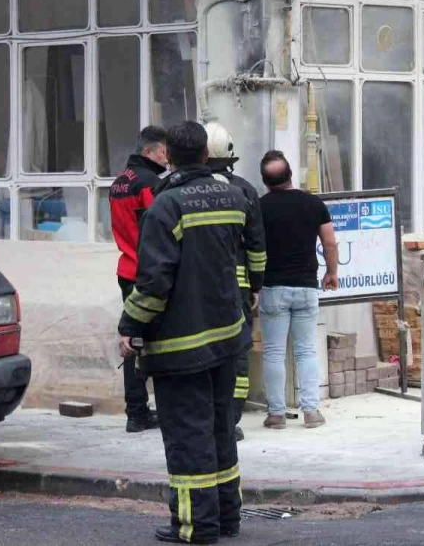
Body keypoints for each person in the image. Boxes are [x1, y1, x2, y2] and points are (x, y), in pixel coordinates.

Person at [118, 121, 263, 544]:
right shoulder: (234, 196)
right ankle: (226, 516)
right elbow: (251, 255)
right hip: (226, 335)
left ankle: (195, 525)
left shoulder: (167, 206)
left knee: (188, 436)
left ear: (170, 157)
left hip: (181, 346)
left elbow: (154, 283)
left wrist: (129, 326)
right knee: (220, 430)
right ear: (204, 154)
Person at [257, 151, 338, 430]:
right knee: (306, 351)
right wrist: (332, 272)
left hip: (273, 288)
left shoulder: (259, 207)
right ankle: (311, 412)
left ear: (265, 182)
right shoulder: (313, 204)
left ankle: (277, 414)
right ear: (291, 174)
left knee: (274, 352)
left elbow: (251, 246)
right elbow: (330, 243)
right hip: (306, 287)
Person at [202, 122, 265, 442]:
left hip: (194, 290)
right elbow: (256, 246)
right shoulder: (244, 191)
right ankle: (230, 418)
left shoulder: (177, 191)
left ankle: (204, 415)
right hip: (236, 289)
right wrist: (256, 284)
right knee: (236, 351)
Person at [109, 125, 167, 433]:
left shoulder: (119, 182)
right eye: (162, 152)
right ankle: (143, 411)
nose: (167, 158)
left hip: (127, 269)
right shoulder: (150, 183)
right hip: (147, 273)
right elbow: (158, 229)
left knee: (133, 342)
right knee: (157, 342)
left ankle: (136, 410)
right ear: (148, 151)